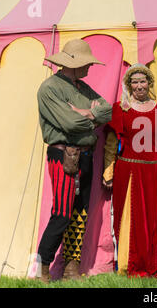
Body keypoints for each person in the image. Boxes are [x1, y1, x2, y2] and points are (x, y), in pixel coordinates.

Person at [36, 39, 112, 283]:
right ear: (74, 64)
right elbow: (69, 124)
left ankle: (71, 268)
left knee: (79, 212)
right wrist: (90, 115)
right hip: (64, 155)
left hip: (86, 154)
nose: (90, 67)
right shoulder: (49, 88)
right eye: (86, 63)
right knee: (61, 213)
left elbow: (108, 110)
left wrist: (84, 113)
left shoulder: (83, 87)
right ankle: (42, 269)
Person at [102, 63, 157, 278]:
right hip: (129, 173)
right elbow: (111, 144)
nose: (139, 86)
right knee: (131, 222)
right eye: (135, 82)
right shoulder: (120, 109)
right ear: (129, 85)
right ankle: (129, 265)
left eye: (143, 81)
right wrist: (108, 171)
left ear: (149, 83)